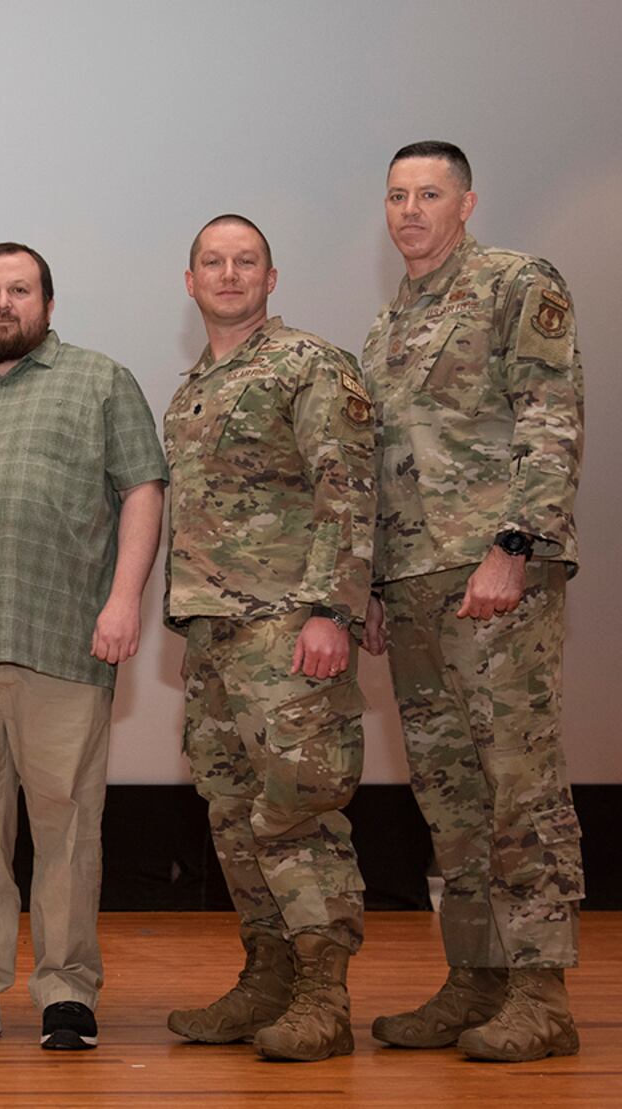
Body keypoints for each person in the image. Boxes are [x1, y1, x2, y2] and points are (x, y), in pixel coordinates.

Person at [0, 242, 167, 1050]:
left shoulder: (100, 381)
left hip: (63, 638)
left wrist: (125, 600)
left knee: (67, 825)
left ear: (48, 304)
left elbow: (143, 488)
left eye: (19, 289)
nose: (3, 303)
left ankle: (66, 990)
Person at [360, 141, 585, 1062]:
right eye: (398, 195)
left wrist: (516, 543)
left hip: (492, 574)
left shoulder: (513, 284)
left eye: (430, 194)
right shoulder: (384, 329)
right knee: (448, 791)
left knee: (515, 781)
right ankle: (475, 977)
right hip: (412, 583)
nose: (411, 210)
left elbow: (550, 411)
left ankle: (542, 991)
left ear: (467, 201)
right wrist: (371, 580)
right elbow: (379, 469)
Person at [162, 215, 376, 1061]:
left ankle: (325, 994)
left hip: (288, 626)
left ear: (271, 278)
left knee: (299, 809)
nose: (227, 273)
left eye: (244, 261)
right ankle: (268, 978)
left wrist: (332, 608)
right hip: (215, 633)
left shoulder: (307, 364)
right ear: (190, 282)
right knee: (234, 814)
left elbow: (346, 486)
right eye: (212, 262)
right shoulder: (192, 390)